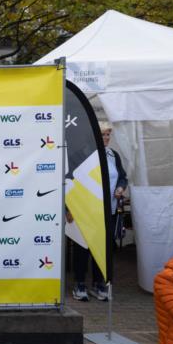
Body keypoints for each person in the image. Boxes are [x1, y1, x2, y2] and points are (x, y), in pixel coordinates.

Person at [71, 122, 128, 302]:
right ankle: (79, 283)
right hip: (85, 211)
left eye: (108, 135)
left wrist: (120, 187)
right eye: (103, 134)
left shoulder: (113, 155)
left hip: (108, 210)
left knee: (104, 248)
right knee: (83, 248)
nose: (106, 138)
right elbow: (70, 183)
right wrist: (69, 208)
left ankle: (98, 282)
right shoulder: (80, 155)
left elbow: (122, 176)